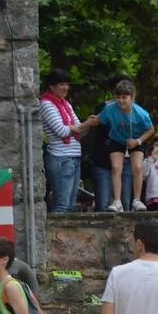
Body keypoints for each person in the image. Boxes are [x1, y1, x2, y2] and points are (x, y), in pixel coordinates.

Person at [39, 68, 95, 213]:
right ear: (51, 86)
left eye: (67, 84)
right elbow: (62, 131)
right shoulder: (46, 104)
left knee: (70, 204)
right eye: (61, 84)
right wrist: (83, 125)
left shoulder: (66, 104)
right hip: (60, 158)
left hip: (73, 156)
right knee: (62, 204)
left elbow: (79, 131)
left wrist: (86, 125)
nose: (66, 88)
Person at [97, 79, 154, 212]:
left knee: (137, 167)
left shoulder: (140, 113)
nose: (121, 101)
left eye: (124, 97)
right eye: (118, 97)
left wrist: (138, 141)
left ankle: (137, 200)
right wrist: (81, 127)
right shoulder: (110, 108)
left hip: (135, 140)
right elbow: (98, 119)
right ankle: (117, 201)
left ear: (131, 98)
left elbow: (151, 129)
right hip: (117, 140)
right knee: (116, 167)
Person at [87, 74, 134, 213]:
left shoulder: (136, 110)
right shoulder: (104, 107)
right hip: (104, 161)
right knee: (103, 203)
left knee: (125, 203)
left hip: (126, 160)